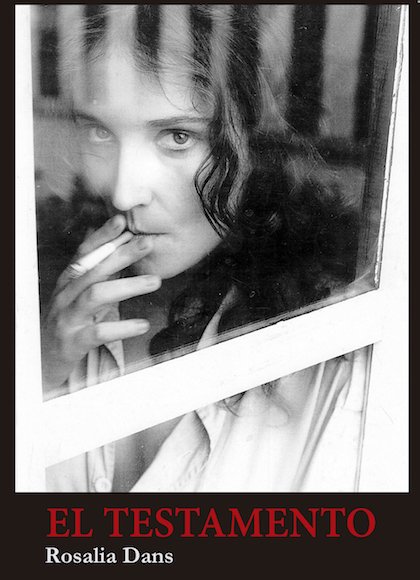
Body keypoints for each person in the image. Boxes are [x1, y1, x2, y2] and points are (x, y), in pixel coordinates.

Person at [41, 5, 369, 492]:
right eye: (100, 131)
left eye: (177, 137)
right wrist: (42, 372)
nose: (123, 194)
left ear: (254, 145)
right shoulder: (59, 312)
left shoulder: (337, 349)